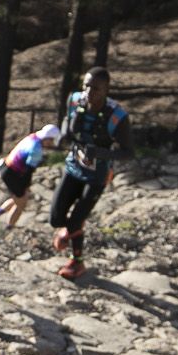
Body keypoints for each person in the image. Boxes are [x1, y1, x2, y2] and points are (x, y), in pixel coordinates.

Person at [49, 65, 132, 280]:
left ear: (106, 90)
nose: (89, 92)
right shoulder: (75, 100)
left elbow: (128, 153)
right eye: (86, 86)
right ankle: (67, 230)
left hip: (97, 176)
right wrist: (64, 133)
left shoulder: (117, 117)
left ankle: (77, 262)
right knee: (55, 218)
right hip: (74, 167)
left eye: (96, 89)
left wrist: (101, 153)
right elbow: (67, 119)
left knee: (76, 220)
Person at [0, 123, 60, 229]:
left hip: (6, 167)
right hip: (12, 174)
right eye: (52, 141)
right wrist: (26, 185)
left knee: (18, 197)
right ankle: (8, 228)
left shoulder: (32, 137)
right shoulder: (36, 150)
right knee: (21, 204)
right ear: (48, 138)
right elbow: (28, 172)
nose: (52, 144)